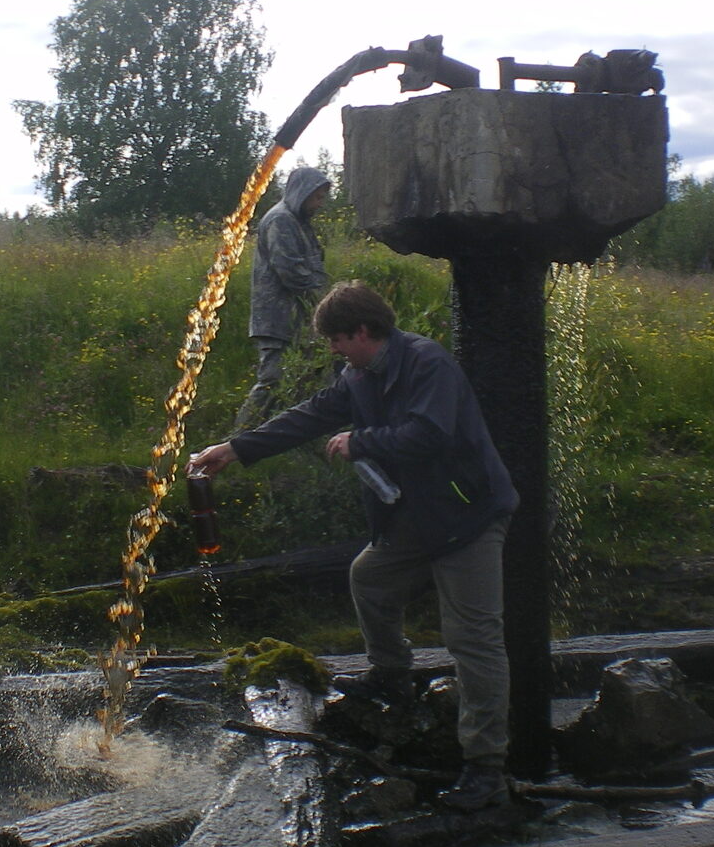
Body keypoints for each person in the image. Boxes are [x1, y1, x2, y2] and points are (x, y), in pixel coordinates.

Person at [192, 280, 519, 812]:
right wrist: (236, 448)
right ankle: (393, 675)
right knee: (369, 576)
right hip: (417, 515)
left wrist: (359, 441)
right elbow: (311, 416)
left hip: (468, 517)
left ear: (365, 331)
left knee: (473, 640)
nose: (334, 351)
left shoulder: (426, 363)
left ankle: (487, 770)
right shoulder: (358, 375)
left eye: (338, 340)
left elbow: (429, 434)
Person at [234, 165, 331, 429]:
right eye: (317, 197)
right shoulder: (281, 220)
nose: (320, 203)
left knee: (305, 380)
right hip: (278, 319)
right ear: (303, 192)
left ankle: (286, 440)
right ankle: (233, 443)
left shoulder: (298, 222)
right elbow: (291, 272)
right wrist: (329, 305)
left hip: (298, 320)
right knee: (271, 382)